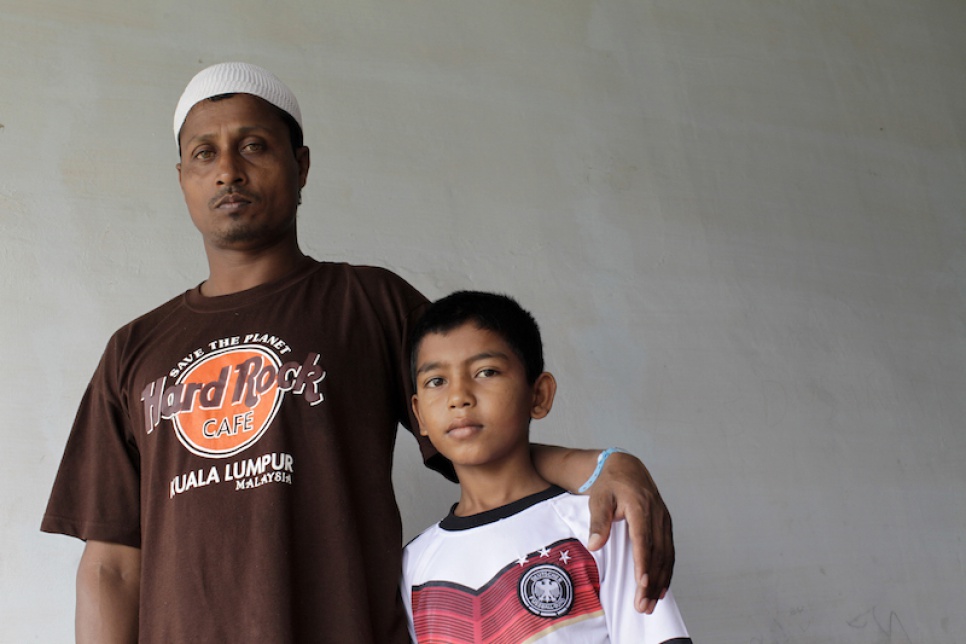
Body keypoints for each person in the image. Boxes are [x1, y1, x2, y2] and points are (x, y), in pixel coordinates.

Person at [41, 62, 675, 643]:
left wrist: (601, 466)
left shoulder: (367, 301)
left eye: (254, 145)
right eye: (204, 153)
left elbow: (475, 434)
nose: (228, 169)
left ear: (302, 164)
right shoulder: (134, 350)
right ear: (182, 179)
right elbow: (112, 564)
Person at [402, 291, 691, 643]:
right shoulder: (413, 566)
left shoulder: (599, 524)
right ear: (419, 416)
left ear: (538, 396)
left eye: (486, 372)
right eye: (437, 381)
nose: (458, 396)